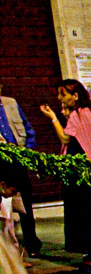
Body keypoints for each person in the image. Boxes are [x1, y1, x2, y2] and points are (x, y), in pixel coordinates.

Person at [39, 79, 91, 266]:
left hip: (84, 173)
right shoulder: (90, 112)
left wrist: (53, 118)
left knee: (87, 213)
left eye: (63, 94)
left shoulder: (80, 113)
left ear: (75, 96)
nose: (60, 98)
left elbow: (66, 138)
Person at [0, 83, 41, 253]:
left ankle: (31, 243)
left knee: (25, 204)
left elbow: (28, 129)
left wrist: (28, 152)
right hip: (1, 163)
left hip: (18, 160)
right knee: (4, 207)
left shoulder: (10, 103)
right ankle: (8, 248)